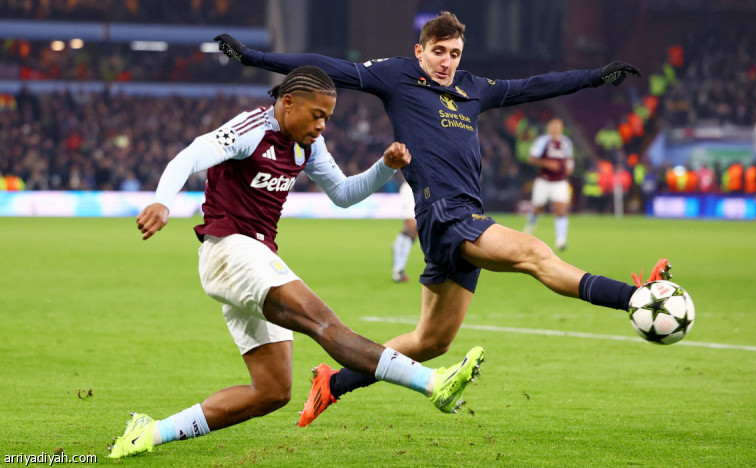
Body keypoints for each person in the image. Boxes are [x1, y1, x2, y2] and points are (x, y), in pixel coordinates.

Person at [215, 11, 671, 428]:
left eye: (454, 53)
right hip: (443, 214)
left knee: (431, 341)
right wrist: (253, 57)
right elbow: (328, 67)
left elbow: (534, 86)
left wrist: (595, 76)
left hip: (464, 217)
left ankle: (332, 384)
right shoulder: (397, 76)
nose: (446, 62)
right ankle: (635, 298)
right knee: (534, 253)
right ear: (420, 51)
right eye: (438, 51)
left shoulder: (474, 87)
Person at [107, 66, 485, 459]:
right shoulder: (251, 129)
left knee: (272, 391)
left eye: (327, 118)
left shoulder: (308, 146)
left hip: (252, 260)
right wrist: (162, 201)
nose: (321, 125)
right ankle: (433, 383)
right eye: (317, 115)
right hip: (231, 251)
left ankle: (150, 432)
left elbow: (343, 193)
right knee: (325, 325)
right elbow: (190, 156)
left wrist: (384, 167)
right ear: (288, 102)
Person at [523, 118, 574, 250]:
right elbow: (531, 159)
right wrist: (546, 163)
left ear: (562, 128)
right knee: (538, 208)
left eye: (558, 126)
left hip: (560, 181)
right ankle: (531, 225)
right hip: (544, 181)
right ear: (549, 128)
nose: (555, 129)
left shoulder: (566, 142)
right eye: (553, 126)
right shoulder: (542, 141)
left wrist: (570, 166)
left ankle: (561, 240)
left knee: (561, 209)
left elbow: (568, 158)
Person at [392, 178, 417, 282]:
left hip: (418, 187)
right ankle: (398, 270)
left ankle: (398, 244)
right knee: (411, 229)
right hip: (412, 187)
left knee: (413, 234)